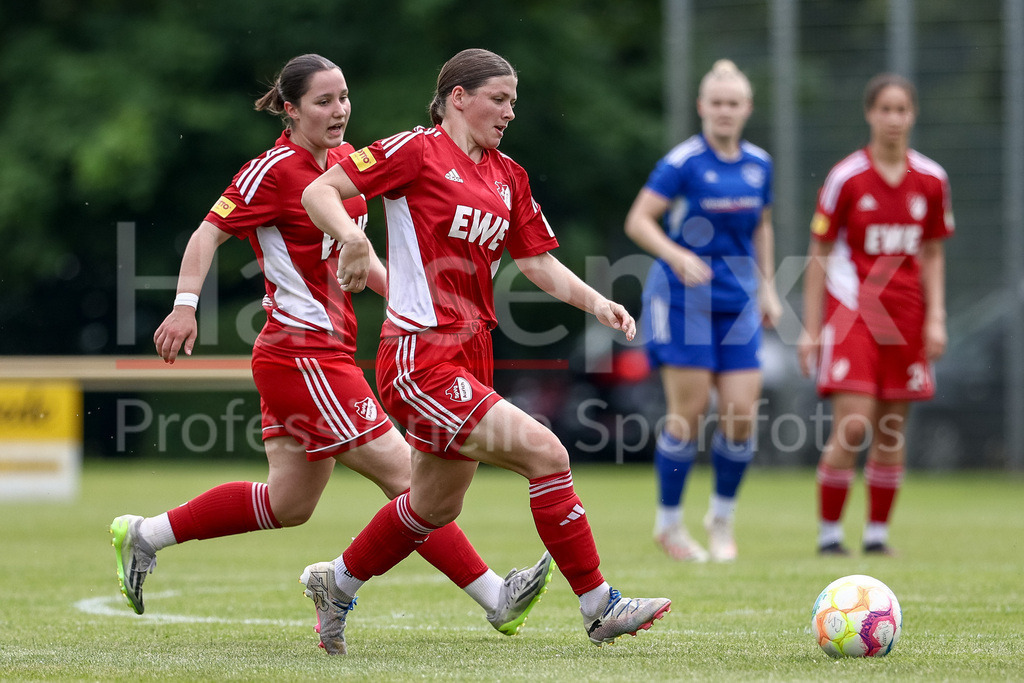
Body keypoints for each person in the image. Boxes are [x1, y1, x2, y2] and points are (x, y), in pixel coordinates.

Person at [108, 54, 554, 641]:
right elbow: (207, 233)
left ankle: (144, 535)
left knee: (289, 504)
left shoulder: (347, 164)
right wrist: (185, 306)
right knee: (406, 477)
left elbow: (360, 258)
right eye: (324, 101)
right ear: (291, 110)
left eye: (344, 97)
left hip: (326, 353)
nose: (340, 110)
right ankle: (494, 596)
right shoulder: (272, 170)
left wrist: (418, 304)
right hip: (301, 352)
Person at [297, 48, 671, 655]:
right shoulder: (415, 151)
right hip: (420, 356)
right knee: (546, 452)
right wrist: (353, 240)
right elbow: (321, 192)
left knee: (432, 506)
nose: (508, 113)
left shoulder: (508, 175)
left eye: (513, 103)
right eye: (498, 99)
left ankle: (336, 583)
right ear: (458, 96)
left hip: (472, 353)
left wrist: (598, 303)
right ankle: (600, 606)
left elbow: (536, 261)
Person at [623, 59, 782, 563]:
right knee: (688, 414)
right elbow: (639, 221)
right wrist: (677, 254)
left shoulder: (759, 163)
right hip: (681, 298)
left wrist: (769, 289)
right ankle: (669, 525)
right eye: (716, 103)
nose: (724, 111)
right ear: (701, 108)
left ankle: (721, 518)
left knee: (739, 415)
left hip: (736, 301)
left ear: (747, 109)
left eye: (733, 103)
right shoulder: (683, 162)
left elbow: (762, 227)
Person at [797, 73, 953, 556]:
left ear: (913, 115)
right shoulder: (847, 178)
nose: (893, 119)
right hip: (853, 313)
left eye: (901, 110)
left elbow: (931, 253)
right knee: (855, 423)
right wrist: (810, 327)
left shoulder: (931, 180)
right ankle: (828, 536)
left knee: (892, 425)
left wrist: (936, 317)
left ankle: (878, 536)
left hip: (906, 315)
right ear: (870, 114)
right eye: (884, 109)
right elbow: (818, 253)